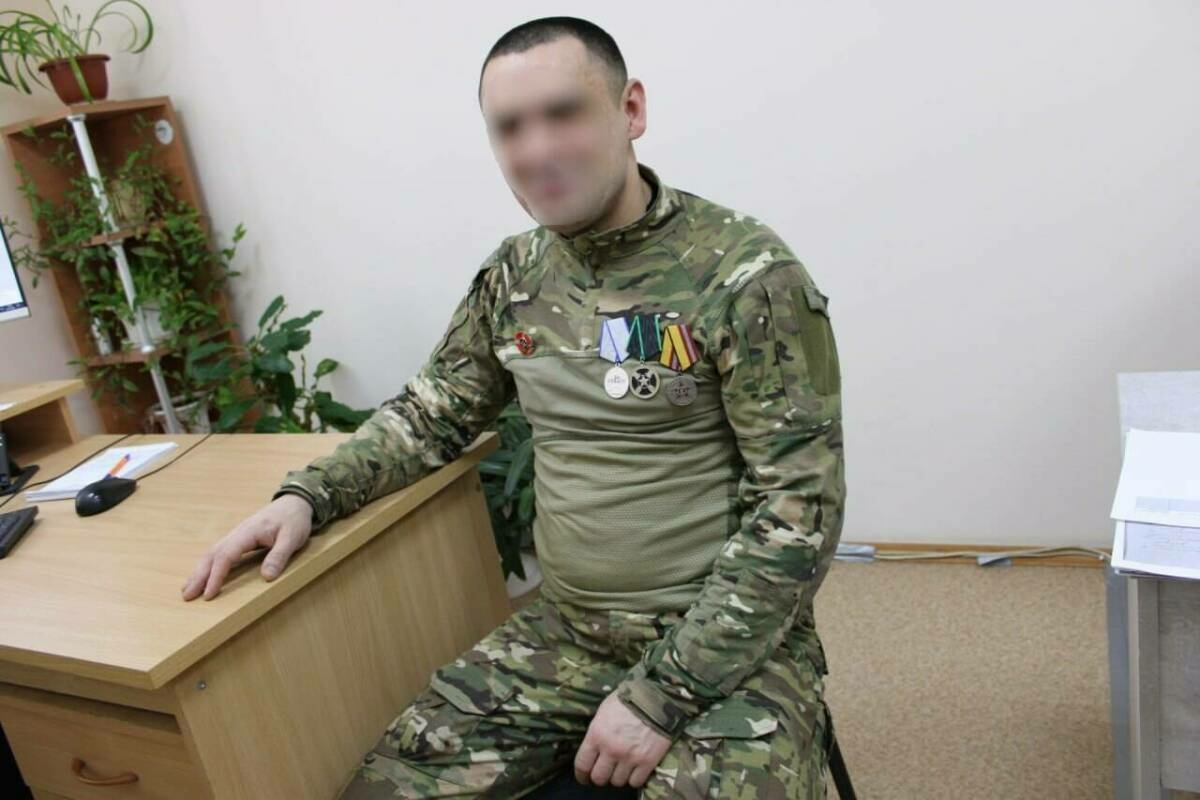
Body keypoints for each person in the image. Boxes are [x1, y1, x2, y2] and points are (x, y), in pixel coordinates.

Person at [181, 15, 845, 799]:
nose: (536, 151)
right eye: (510, 128)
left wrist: (662, 695)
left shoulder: (744, 275)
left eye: (564, 113)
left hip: (726, 645)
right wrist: (307, 497)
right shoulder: (515, 277)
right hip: (567, 634)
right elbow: (431, 416)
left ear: (630, 110)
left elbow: (798, 511)